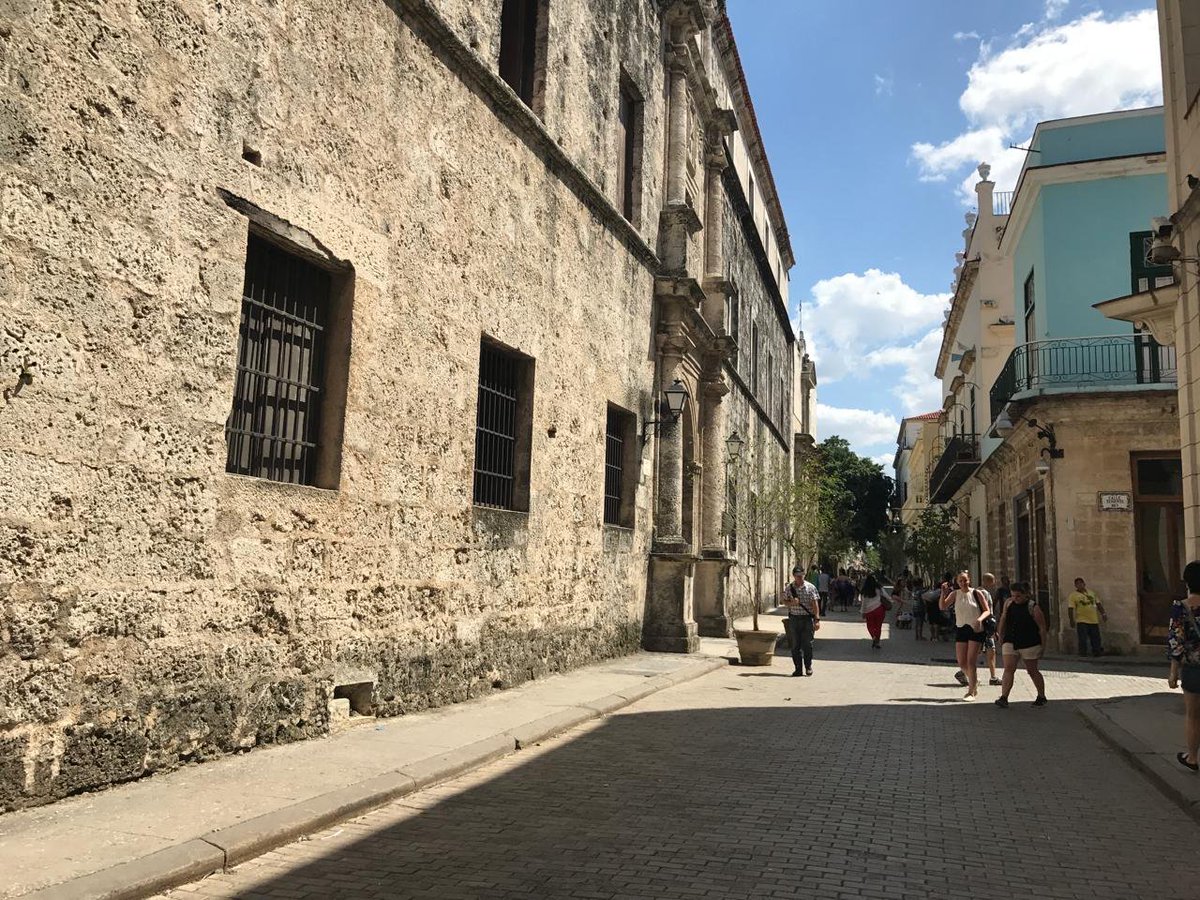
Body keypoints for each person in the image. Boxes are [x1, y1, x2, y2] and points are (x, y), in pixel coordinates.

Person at [994, 581, 1048, 709]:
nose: (1015, 598)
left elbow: (1042, 627)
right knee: (1009, 668)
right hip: (1011, 640)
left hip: (1029, 642)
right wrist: (1000, 635)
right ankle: (1004, 697)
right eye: (1013, 595)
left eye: (1018, 596)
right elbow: (1003, 619)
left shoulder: (1033, 607)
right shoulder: (1009, 603)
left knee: (1032, 670)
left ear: (1026, 595)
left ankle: (1041, 696)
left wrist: (1043, 646)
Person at [1168, 561, 1200, 771]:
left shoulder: (1181, 607)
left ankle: (1193, 758)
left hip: (1193, 668)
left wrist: (1173, 673)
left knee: (1193, 716)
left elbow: (1175, 641)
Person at [941, 570, 991, 700]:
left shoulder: (976, 593)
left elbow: (987, 611)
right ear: (957, 582)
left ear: (969, 580)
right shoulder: (955, 594)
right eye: (960, 580)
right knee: (962, 662)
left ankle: (971, 692)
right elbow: (943, 606)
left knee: (970, 661)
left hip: (975, 629)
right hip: (961, 628)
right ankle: (974, 681)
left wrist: (979, 620)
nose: (963, 582)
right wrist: (943, 593)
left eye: (965, 580)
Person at [782, 566, 821, 677]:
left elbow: (815, 604)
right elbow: (784, 601)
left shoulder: (810, 587)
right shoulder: (789, 588)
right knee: (795, 645)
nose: (799, 578)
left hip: (807, 619)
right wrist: (791, 603)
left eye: (801, 575)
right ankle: (798, 668)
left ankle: (808, 666)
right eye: (797, 576)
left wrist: (817, 620)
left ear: (804, 575)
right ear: (794, 576)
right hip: (794, 619)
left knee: (808, 644)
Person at [1067, 577, 1107, 658]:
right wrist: (1071, 620)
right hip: (1082, 620)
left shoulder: (1091, 593)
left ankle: (1097, 652)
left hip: (1093, 619)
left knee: (1095, 637)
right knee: (1082, 638)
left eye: (1081, 583)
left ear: (1084, 584)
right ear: (1075, 585)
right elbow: (1070, 608)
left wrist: (1103, 614)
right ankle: (1083, 653)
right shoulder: (1073, 595)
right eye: (1077, 584)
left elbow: (1098, 604)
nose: (1079, 585)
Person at [979, 573, 1002, 687]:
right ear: (988, 581)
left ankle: (993, 676)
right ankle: (993, 677)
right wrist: (992, 628)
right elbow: (987, 610)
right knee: (990, 651)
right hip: (986, 627)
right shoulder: (984, 593)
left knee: (987, 650)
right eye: (992, 581)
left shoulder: (979, 591)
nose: (994, 584)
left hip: (983, 626)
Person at [860, 574, 887, 649]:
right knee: (878, 626)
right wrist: (891, 601)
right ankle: (877, 642)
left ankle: (874, 637)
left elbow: (864, 603)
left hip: (869, 611)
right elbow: (886, 595)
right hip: (879, 609)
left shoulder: (865, 590)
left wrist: (863, 612)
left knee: (870, 626)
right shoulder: (879, 588)